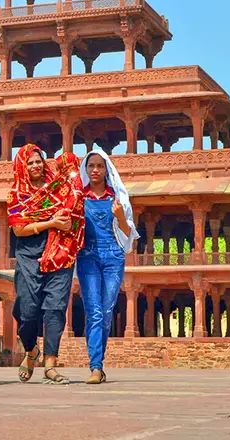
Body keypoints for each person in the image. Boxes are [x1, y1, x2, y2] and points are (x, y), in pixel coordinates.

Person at [7, 145, 85, 385]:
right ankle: (31, 351)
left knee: (55, 308)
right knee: (27, 309)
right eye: (29, 163)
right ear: (22, 166)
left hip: (60, 252)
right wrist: (50, 223)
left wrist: (68, 223)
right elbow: (19, 228)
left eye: (38, 160)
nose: (35, 166)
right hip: (29, 254)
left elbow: (76, 206)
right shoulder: (17, 194)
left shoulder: (59, 187)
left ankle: (50, 364)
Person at [77, 148, 139, 384]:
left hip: (113, 256)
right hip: (87, 256)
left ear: (107, 170)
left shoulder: (118, 198)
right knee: (93, 311)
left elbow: (128, 234)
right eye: (91, 166)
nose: (95, 170)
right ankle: (96, 366)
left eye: (100, 166)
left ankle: (98, 366)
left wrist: (121, 217)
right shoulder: (78, 198)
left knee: (105, 312)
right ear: (85, 169)